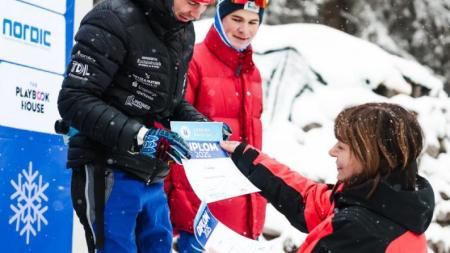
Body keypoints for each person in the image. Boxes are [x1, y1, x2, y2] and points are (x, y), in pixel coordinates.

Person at [56, 0, 215, 252]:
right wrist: (141, 137)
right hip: (107, 168)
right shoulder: (111, 17)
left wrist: (204, 129)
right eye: (192, 2)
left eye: (208, 4)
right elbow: (74, 99)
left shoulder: (183, 29)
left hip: (153, 175)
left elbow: (168, 104)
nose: (197, 13)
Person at [221, 102, 435, 253]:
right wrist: (248, 158)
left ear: (369, 156)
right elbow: (307, 201)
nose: (332, 151)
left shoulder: (356, 230)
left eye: (341, 147)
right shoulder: (395, 204)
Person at [164, 0, 268, 251]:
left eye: (253, 22)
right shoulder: (194, 60)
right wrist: (183, 211)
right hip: (202, 215)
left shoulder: (252, 72)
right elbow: (174, 135)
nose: (245, 30)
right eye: (237, 20)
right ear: (220, 19)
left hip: (245, 213)